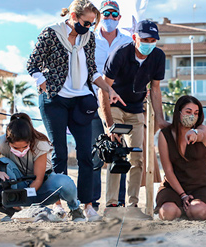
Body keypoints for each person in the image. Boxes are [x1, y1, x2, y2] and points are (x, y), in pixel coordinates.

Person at [27, 0, 125, 221]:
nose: (89, 27)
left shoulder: (88, 38)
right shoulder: (51, 33)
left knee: (86, 155)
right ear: (73, 15)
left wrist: (108, 89)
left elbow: (92, 69)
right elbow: (32, 63)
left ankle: (87, 206)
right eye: (86, 22)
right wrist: (41, 81)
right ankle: (58, 204)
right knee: (59, 153)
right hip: (55, 100)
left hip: (81, 100)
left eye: (92, 24)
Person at [99, 19, 166, 216]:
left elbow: (155, 89)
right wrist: (110, 123)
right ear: (135, 37)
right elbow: (104, 88)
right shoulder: (120, 53)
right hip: (115, 107)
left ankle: (132, 205)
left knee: (137, 157)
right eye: (146, 39)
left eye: (153, 39)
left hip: (136, 109)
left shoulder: (158, 56)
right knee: (116, 154)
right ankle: (111, 205)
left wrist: (160, 119)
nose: (150, 43)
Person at [0, 113, 86, 222]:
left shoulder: (40, 143)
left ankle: (75, 209)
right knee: (1, 163)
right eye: (16, 148)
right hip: (17, 190)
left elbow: (38, 179)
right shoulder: (2, 142)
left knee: (65, 182)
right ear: (8, 141)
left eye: (25, 147)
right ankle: (12, 210)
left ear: (30, 140)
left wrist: (25, 195)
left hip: (42, 189)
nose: (21, 151)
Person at [91, 0, 132, 211]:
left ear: (119, 17)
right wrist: (105, 91)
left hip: (119, 104)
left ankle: (119, 202)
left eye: (113, 14)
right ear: (99, 16)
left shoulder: (127, 41)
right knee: (97, 151)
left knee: (119, 151)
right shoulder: (88, 39)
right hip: (92, 101)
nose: (109, 17)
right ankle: (92, 203)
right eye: (105, 14)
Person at [155, 95, 206, 220]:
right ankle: (182, 210)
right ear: (179, 112)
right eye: (188, 112)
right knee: (167, 212)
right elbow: (168, 170)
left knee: (198, 210)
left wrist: (194, 133)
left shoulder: (201, 129)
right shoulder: (165, 135)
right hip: (173, 187)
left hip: (201, 186)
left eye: (196, 113)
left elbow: (202, 133)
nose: (192, 116)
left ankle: (188, 211)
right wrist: (183, 195)